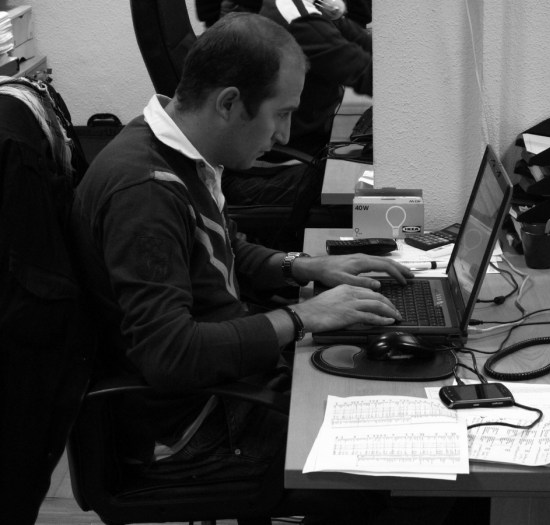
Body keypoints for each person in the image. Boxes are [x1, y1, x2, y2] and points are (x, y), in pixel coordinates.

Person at [71, 11, 458, 524]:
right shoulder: (144, 193)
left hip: (226, 383)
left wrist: (308, 267)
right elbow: (169, 354)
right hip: (198, 427)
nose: (285, 133)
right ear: (229, 102)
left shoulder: (174, 151)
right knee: (416, 474)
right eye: (282, 113)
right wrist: (303, 317)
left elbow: (225, 247)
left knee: (402, 396)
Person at [194, 0, 373, 250]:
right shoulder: (296, 18)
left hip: (269, 156)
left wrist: (339, 18)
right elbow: (370, 74)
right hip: (262, 168)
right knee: (361, 193)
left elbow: (371, 51)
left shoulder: (300, 9)